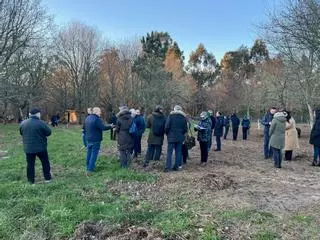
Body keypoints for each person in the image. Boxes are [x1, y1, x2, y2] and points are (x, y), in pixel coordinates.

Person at [19, 108, 52, 184]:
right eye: (39, 114)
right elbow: (49, 132)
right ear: (37, 114)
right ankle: (47, 179)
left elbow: (21, 132)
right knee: (45, 163)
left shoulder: (23, 123)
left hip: (28, 148)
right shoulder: (41, 123)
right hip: (41, 148)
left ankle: (31, 181)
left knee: (30, 164)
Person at [85, 107, 113, 174]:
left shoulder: (87, 118)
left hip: (89, 138)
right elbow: (103, 127)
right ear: (96, 112)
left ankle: (88, 166)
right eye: (99, 111)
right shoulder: (97, 119)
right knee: (94, 154)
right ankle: (90, 169)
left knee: (89, 153)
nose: (100, 113)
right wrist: (110, 126)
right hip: (96, 139)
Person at [165, 105, 188, 172]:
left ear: (174, 109)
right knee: (178, 152)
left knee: (169, 152)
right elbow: (185, 129)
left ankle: (168, 167)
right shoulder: (183, 118)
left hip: (171, 136)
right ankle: (176, 166)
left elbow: (167, 126)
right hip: (180, 137)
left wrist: (167, 134)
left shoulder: (171, 116)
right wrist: (181, 134)